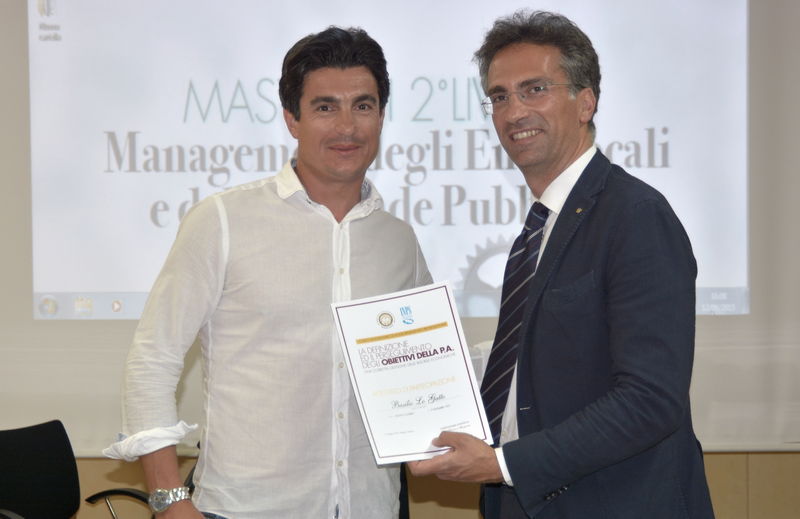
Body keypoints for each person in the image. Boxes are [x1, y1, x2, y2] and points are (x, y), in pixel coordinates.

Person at [104, 27, 431, 519]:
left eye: (362, 106)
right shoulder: (222, 221)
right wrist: (171, 503)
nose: (347, 126)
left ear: (381, 116)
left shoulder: (399, 240)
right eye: (325, 107)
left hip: (369, 507)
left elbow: (422, 368)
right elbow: (152, 360)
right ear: (291, 119)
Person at [408, 10, 715, 519]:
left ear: (585, 102)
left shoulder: (636, 215)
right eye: (499, 97)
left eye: (534, 90)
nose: (513, 112)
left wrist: (504, 464)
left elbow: (650, 399)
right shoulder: (541, 228)